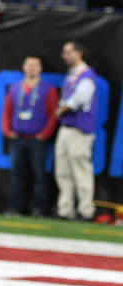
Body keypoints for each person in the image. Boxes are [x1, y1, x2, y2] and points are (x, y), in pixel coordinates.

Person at [0, 56, 59, 217]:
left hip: (37, 140)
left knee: (39, 175)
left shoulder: (48, 89)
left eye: (35, 65)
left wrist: (45, 134)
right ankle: (15, 207)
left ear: (40, 68)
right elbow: (6, 112)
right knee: (17, 175)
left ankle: (39, 209)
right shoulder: (14, 88)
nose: (32, 68)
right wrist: (7, 131)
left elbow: (54, 114)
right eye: (29, 65)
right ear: (23, 67)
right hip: (18, 138)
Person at [55, 41, 98, 221]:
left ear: (78, 53)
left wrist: (61, 109)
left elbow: (79, 99)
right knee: (63, 170)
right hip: (65, 128)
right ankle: (65, 210)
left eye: (68, 52)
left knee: (81, 170)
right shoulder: (72, 75)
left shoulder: (86, 75)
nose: (64, 56)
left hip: (79, 130)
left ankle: (86, 210)